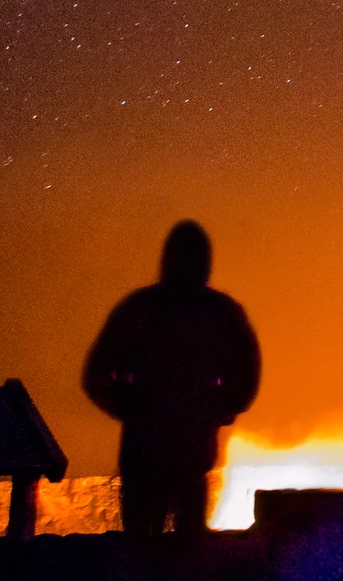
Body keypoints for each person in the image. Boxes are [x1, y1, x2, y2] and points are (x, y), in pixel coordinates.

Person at [82, 219, 261, 536]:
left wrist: (129, 407)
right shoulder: (218, 314)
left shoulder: (141, 309)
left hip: (162, 455)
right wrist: (219, 408)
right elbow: (247, 373)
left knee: (150, 549)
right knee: (177, 553)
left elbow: (95, 374)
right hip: (169, 455)